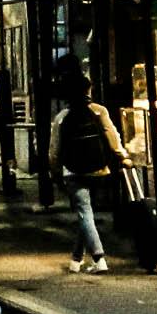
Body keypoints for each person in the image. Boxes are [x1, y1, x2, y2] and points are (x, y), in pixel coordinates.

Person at [51, 79, 126, 276]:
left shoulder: (62, 117)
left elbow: (54, 150)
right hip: (98, 169)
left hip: (73, 172)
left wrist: (55, 171)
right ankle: (76, 260)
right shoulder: (99, 111)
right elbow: (112, 136)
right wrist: (122, 156)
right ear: (89, 90)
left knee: (85, 214)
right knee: (86, 216)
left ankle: (99, 258)